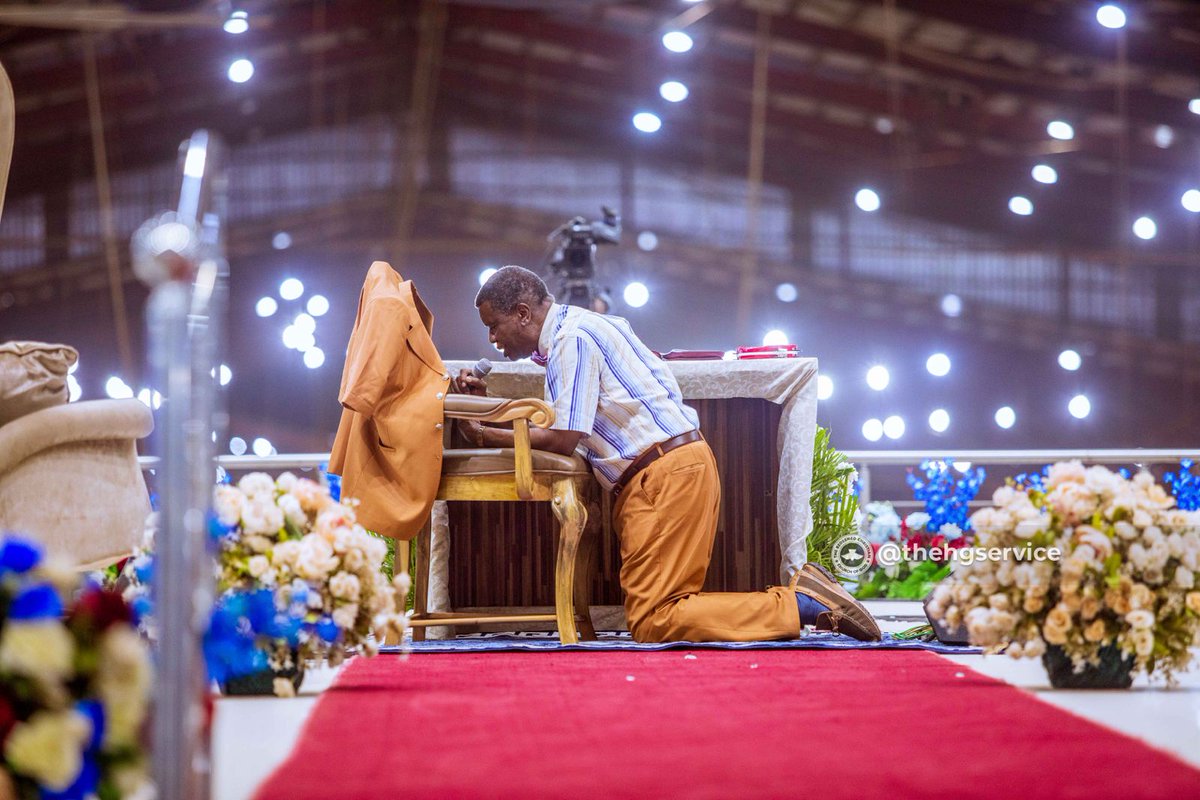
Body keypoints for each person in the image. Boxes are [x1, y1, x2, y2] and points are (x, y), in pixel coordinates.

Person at [456, 265, 880, 644]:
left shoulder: (572, 340)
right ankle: (800, 602)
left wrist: (485, 434)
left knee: (655, 620)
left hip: (662, 479)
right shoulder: (592, 326)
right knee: (662, 612)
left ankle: (799, 604)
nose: (491, 338)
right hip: (674, 470)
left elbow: (565, 436)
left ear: (524, 313)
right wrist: (489, 408)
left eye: (494, 325)